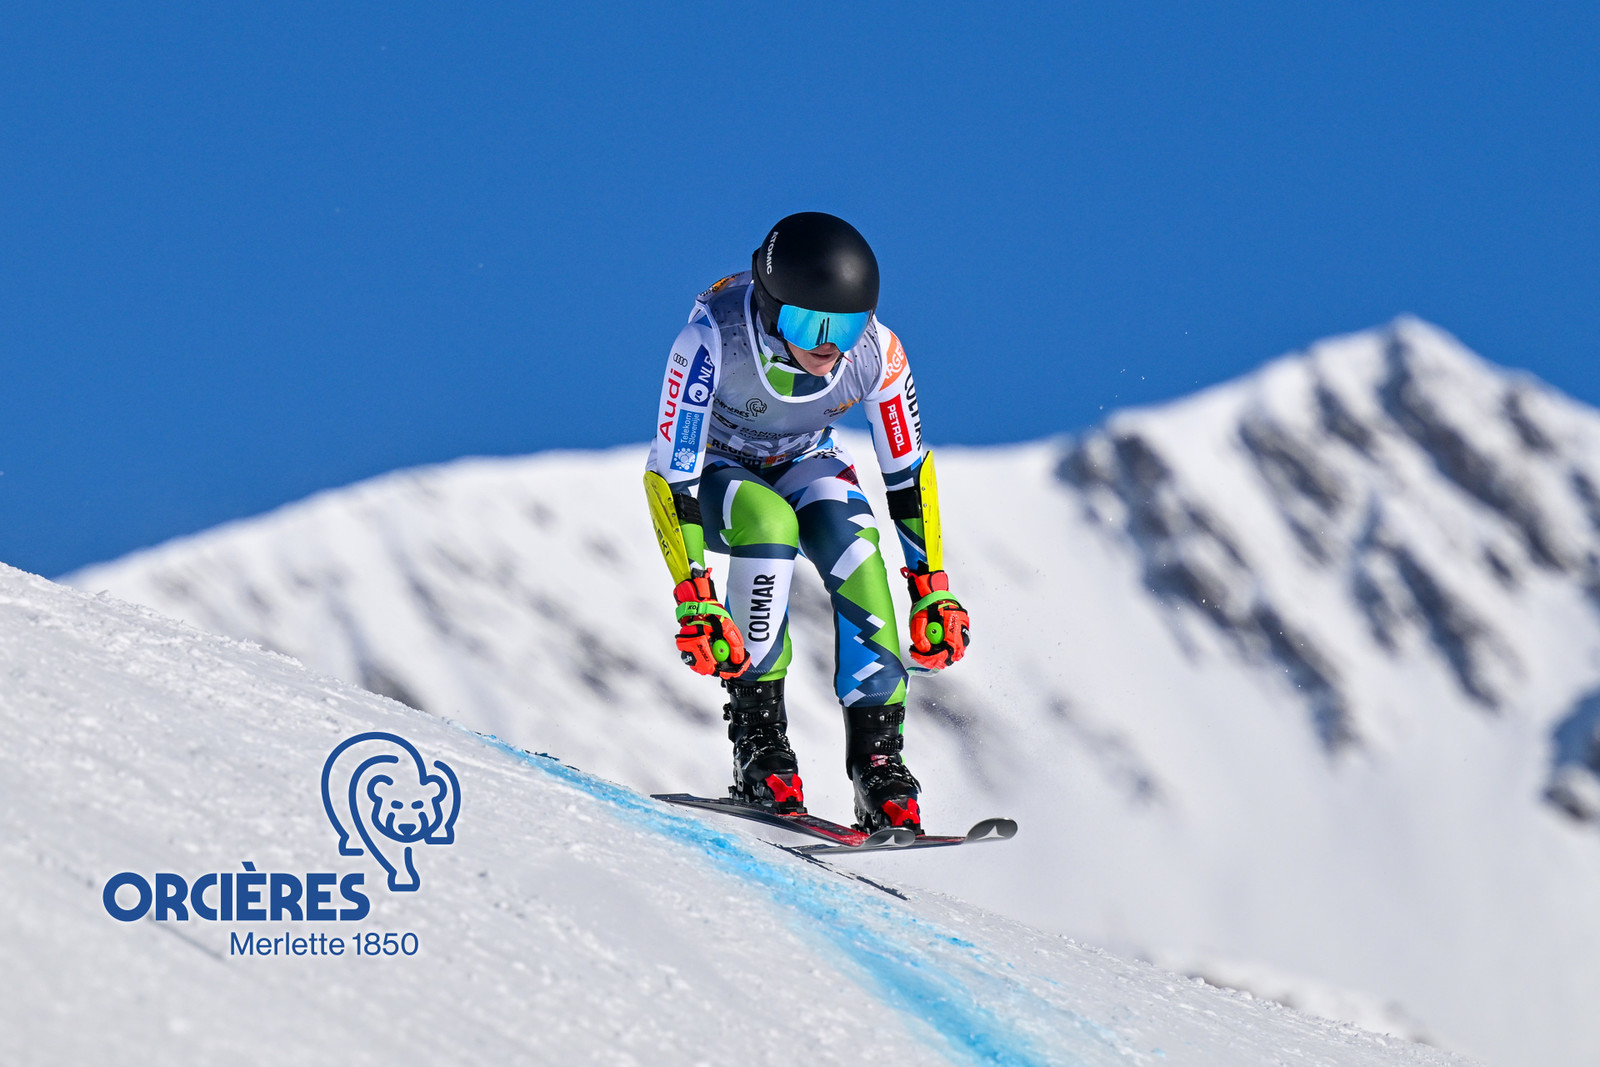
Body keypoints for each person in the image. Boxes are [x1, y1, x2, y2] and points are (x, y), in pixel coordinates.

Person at [644, 212, 971, 834]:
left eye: (845, 325)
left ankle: (880, 763)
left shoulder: (877, 353)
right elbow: (672, 474)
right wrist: (694, 595)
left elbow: (907, 475)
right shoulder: (712, 340)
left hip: (803, 459)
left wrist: (932, 587)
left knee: (856, 543)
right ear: (771, 310)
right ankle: (759, 743)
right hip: (714, 470)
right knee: (768, 523)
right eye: (809, 324)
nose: (829, 345)